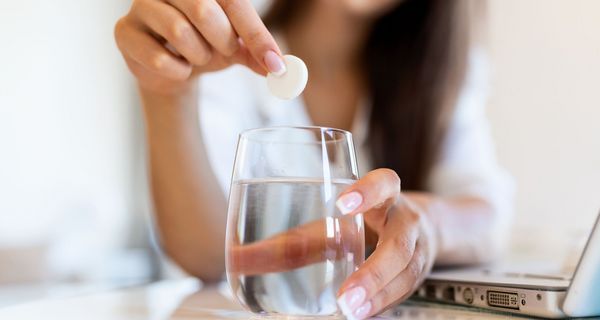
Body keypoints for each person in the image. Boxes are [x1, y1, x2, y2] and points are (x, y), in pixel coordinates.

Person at [114, 0, 513, 318]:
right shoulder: (216, 42)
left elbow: (490, 216)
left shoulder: (441, 71)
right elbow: (206, 258)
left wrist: (427, 226)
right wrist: (166, 92)